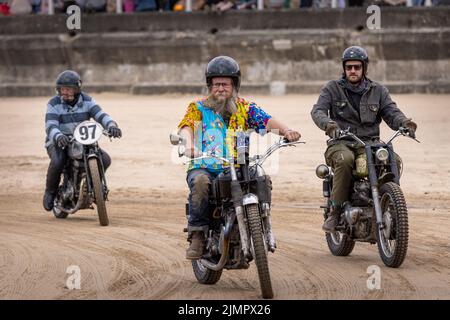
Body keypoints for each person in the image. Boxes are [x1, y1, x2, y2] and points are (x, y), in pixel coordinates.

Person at [177, 56, 301, 260]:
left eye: (225, 84)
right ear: (210, 86)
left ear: (234, 85)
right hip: (205, 165)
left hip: (237, 166)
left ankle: (261, 220)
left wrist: (287, 131)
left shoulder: (245, 108)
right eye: (216, 84)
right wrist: (189, 144)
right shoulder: (197, 108)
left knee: (261, 178)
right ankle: (197, 234)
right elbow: (186, 126)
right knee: (200, 182)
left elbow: (267, 120)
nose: (220, 89)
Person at [311, 46, 417, 233]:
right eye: (349, 67)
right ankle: (335, 212)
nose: (353, 71)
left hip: (370, 143)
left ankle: (389, 204)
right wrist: (330, 126)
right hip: (341, 142)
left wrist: (405, 123)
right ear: (344, 68)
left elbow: (392, 112)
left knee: (394, 160)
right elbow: (317, 111)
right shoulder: (332, 88)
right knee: (345, 161)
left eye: (357, 67)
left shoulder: (378, 90)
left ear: (364, 68)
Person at [43, 70, 122, 211]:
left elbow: (101, 115)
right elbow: (51, 125)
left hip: (84, 141)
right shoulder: (53, 104)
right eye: (62, 89)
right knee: (58, 161)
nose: (65, 92)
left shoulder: (87, 100)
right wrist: (58, 136)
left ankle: (94, 187)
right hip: (59, 141)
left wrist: (111, 125)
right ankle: (50, 192)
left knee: (105, 159)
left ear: (77, 89)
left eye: (68, 89)